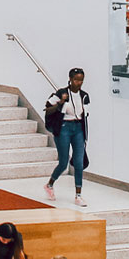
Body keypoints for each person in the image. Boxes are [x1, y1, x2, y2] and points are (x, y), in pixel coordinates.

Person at [43, 68, 90, 207]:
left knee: (79, 162)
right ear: (70, 79)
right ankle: (50, 184)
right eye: (76, 80)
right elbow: (47, 109)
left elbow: (85, 116)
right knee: (63, 162)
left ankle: (78, 195)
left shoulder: (85, 96)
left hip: (78, 129)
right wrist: (60, 104)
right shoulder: (61, 93)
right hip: (64, 127)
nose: (79, 83)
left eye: (81, 80)